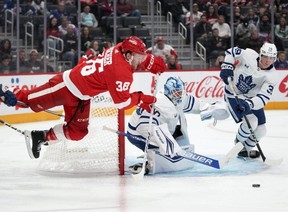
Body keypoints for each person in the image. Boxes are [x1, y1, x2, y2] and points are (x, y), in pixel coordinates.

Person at [3, 36, 166, 159]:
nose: (141, 60)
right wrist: (142, 98)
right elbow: (122, 103)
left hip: (82, 96)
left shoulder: (119, 48)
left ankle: (40, 137)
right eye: (140, 57)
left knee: (77, 132)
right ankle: (3, 92)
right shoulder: (121, 72)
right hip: (65, 86)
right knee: (27, 101)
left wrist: (149, 62)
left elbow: (132, 55)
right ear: (129, 55)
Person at [127, 76, 230, 174]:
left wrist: (210, 108)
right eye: (177, 93)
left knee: (178, 131)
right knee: (160, 144)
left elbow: (194, 104)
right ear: (169, 92)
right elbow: (143, 127)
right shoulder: (159, 104)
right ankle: (149, 164)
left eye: (181, 92)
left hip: (158, 128)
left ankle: (161, 151)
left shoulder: (179, 98)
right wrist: (166, 144)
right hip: (137, 134)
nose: (180, 95)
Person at [219, 42, 278, 159]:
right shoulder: (249, 54)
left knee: (261, 130)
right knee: (252, 122)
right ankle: (239, 143)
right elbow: (231, 51)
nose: (267, 60)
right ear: (260, 54)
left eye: (271, 58)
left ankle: (245, 149)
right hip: (232, 94)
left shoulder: (272, 76)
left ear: (274, 58)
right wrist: (227, 65)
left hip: (250, 100)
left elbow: (263, 97)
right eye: (265, 56)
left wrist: (249, 104)